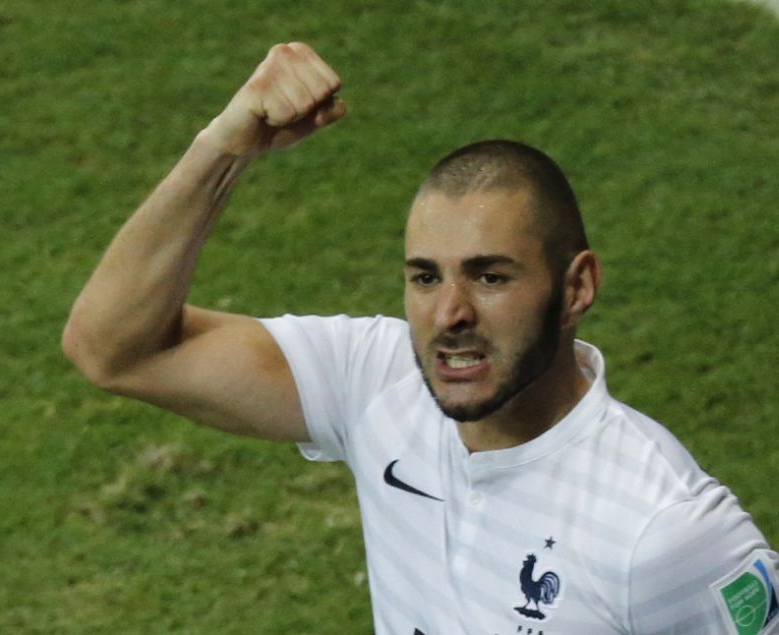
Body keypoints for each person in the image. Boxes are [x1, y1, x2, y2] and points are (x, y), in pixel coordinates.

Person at [63, 42, 779, 634]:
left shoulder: (663, 533)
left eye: (490, 277)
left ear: (577, 288)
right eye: (425, 278)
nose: (449, 314)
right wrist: (224, 147)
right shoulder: (376, 382)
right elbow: (117, 348)